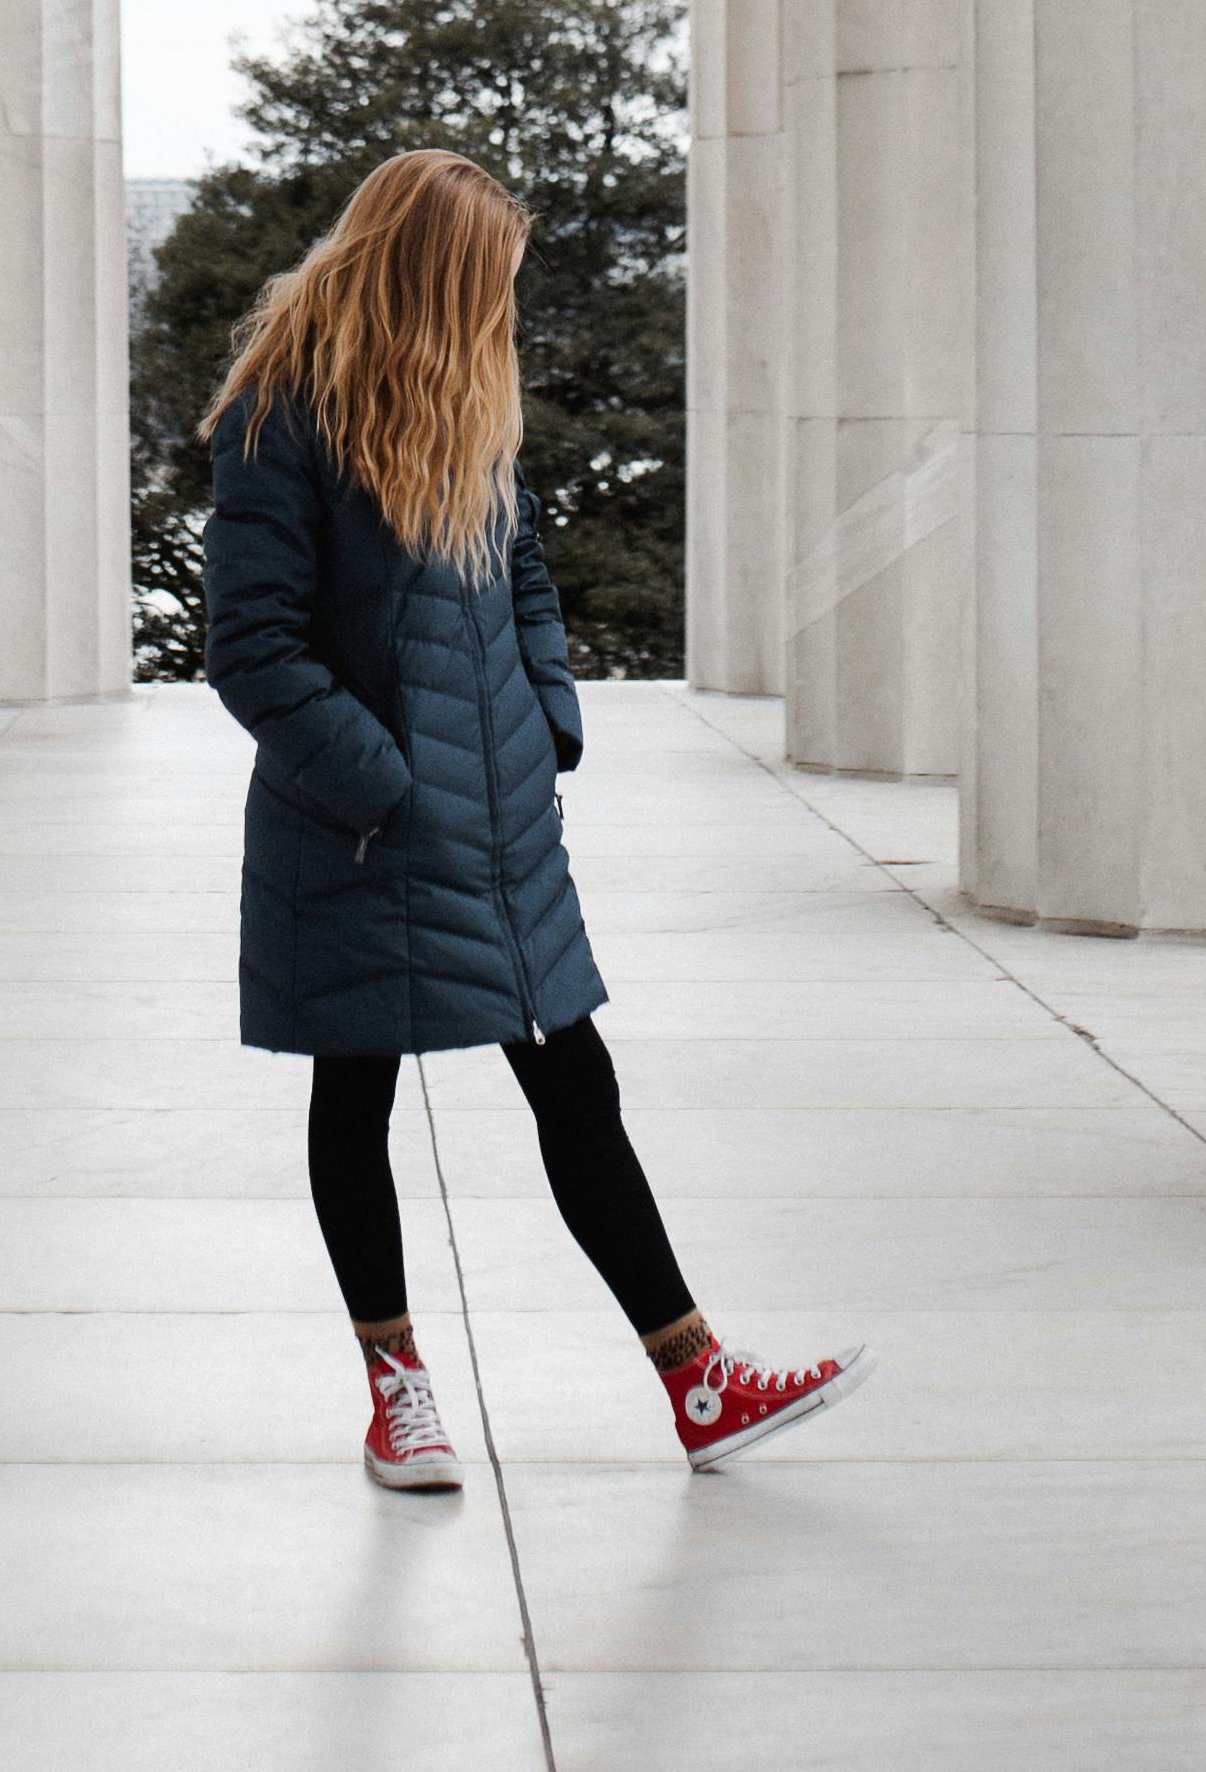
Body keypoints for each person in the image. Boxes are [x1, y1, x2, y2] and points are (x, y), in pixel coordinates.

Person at [203, 143, 870, 1492]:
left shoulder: (468, 399)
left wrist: (547, 718)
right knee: (357, 1094)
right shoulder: (281, 414)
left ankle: (696, 1378)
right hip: (365, 832)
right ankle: (399, 1395)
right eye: (487, 280)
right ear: (429, 275)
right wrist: (385, 786)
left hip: (503, 824)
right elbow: (251, 648)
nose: (502, 308)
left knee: (576, 1082)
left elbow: (525, 579)